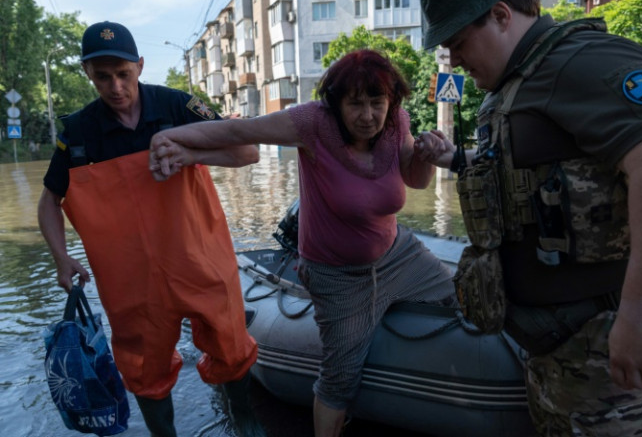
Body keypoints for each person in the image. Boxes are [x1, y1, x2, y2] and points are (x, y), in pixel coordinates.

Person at [417, 0, 642, 435]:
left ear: (501, 16)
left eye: (458, 42)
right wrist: (451, 160)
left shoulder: (582, 61)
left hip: (610, 335)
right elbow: (525, 178)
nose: (453, 59)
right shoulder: (514, 86)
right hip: (566, 349)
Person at [148, 49, 458, 437]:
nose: (367, 116)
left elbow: (416, 181)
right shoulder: (312, 123)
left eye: (376, 103)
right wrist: (170, 138)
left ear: (391, 101)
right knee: (339, 380)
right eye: (355, 103)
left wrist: (428, 156)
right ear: (336, 103)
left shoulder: (398, 122)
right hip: (338, 275)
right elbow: (240, 132)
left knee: (459, 299)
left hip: (399, 255)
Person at [37, 21, 266, 437]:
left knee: (231, 344)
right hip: (131, 281)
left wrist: (188, 150)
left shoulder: (178, 106)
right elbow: (50, 200)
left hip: (201, 259)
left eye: (123, 74)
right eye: (102, 76)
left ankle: (244, 419)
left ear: (140, 66)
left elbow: (246, 151)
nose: (115, 86)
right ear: (88, 73)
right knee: (143, 368)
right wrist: (61, 257)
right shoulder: (78, 133)